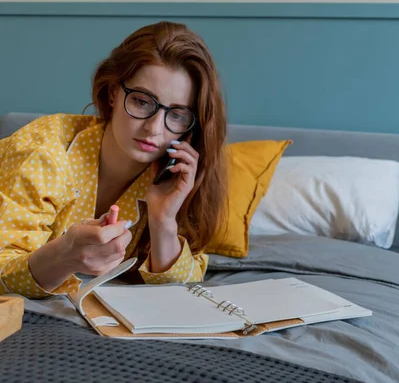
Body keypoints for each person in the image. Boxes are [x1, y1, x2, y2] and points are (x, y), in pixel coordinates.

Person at [0, 21, 228, 299]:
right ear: (112, 94)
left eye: (177, 115)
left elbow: (183, 294)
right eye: (142, 102)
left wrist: (163, 221)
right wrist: (64, 256)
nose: (155, 128)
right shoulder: (44, 151)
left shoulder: (175, 182)